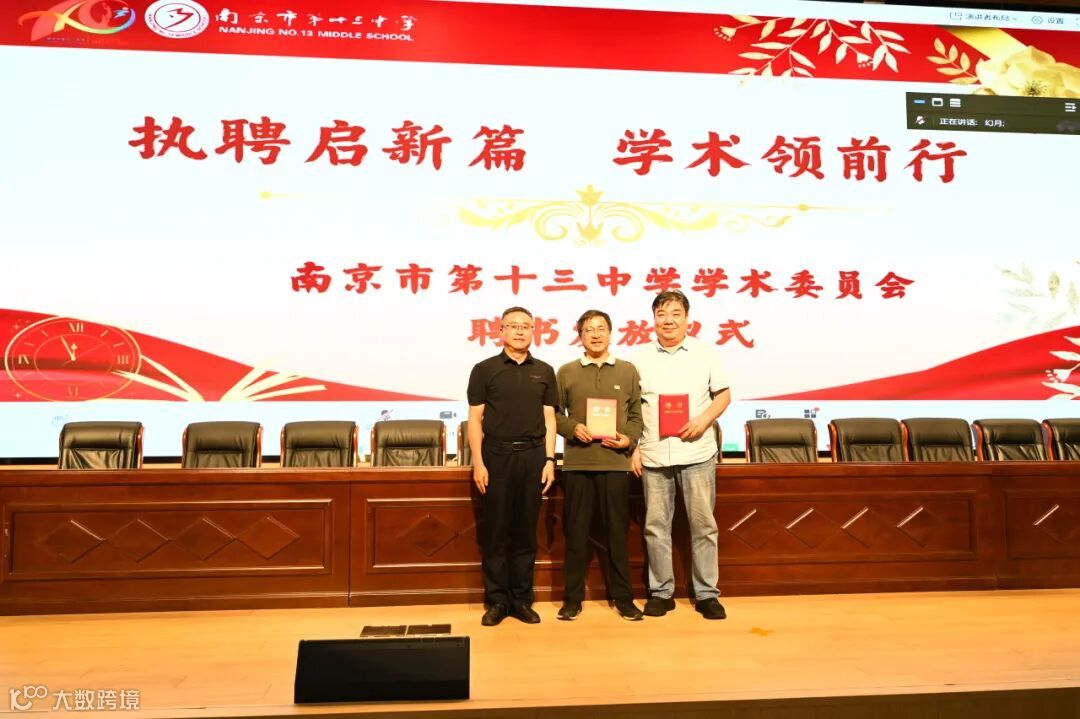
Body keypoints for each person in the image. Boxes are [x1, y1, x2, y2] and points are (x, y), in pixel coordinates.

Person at [631, 290, 731, 620]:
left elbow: (723, 395)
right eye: (661, 314)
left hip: (697, 453)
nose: (668, 320)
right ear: (653, 320)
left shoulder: (705, 353)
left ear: (687, 318)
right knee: (655, 526)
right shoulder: (639, 358)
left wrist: (704, 420)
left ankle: (707, 595)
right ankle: (661, 593)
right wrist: (634, 447)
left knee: (703, 526)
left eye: (675, 313)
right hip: (655, 454)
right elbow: (632, 408)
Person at [467, 307, 557, 626]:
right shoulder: (485, 369)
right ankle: (497, 601)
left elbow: (549, 418)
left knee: (525, 532)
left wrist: (549, 459)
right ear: (501, 330)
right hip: (496, 457)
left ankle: (521, 600)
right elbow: (474, 419)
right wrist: (478, 462)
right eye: (513, 326)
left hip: (533, 457)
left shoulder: (544, 370)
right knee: (496, 532)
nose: (520, 331)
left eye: (526, 326)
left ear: (533, 331)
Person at [555, 309, 644, 622]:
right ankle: (572, 600)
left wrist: (628, 439)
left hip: (615, 464)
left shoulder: (627, 370)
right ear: (580, 335)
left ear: (610, 332)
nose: (595, 334)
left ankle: (624, 599)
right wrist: (571, 428)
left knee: (617, 536)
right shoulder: (566, 371)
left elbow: (637, 416)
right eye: (589, 329)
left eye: (601, 328)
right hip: (578, 464)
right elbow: (553, 414)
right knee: (576, 535)